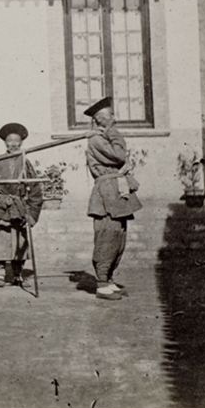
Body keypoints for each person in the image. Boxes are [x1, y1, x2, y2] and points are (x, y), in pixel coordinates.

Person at [83, 97, 142, 301]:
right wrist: (113, 133)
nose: (112, 120)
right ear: (99, 120)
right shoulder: (97, 140)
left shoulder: (104, 136)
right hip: (106, 192)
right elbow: (119, 156)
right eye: (107, 117)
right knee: (107, 235)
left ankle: (108, 279)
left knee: (119, 237)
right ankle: (101, 283)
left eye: (111, 116)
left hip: (116, 189)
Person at [0, 123, 43, 288]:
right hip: (0, 208)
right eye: (9, 141)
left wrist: (32, 214)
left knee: (19, 241)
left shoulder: (25, 163)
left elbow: (35, 190)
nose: (13, 144)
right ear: (4, 143)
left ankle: (17, 274)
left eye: (16, 141)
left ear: (21, 143)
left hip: (18, 208)